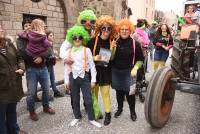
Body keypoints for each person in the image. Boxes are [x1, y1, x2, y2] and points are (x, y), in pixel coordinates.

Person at [16, 19, 55, 121]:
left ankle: (46, 107)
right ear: (23, 27)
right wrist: (35, 57)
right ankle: (32, 111)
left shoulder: (40, 35)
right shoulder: (21, 39)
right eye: (26, 26)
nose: (28, 27)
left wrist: (41, 57)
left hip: (43, 68)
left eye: (30, 25)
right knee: (31, 93)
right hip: (31, 69)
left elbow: (49, 50)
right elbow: (22, 53)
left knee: (46, 90)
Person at [64, 25, 102, 128]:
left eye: (80, 37)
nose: (77, 39)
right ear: (71, 38)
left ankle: (91, 118)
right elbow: (66, 68)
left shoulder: (87, 50)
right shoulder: (69, 51)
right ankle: (77, 116)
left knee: (88, 99)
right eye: (75, 37)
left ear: (83, 38)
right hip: (73, 77)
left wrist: (93, 79)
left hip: (85, 77)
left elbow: (92, 66)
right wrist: (66, 81)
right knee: (75, 99)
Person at [111, 19, 144, 121]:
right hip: (116, 71)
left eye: (126, 29)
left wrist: (136, 68)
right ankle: (120, 109)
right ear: (119, 30)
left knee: (130, 94)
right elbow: (108, 58)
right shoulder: (114, 42)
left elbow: (141, 59)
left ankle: (132, 112)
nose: (124, 31)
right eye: (122, 29)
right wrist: (112, 49)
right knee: (119, 92)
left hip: (129, 72)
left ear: (130, 30)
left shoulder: (135, 44)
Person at [87, 15, 117, 125]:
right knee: (94, 94)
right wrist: (95, 58)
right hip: (94, 73)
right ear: (100, 28)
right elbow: (87, 57)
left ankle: (108, 114)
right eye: (104, 28)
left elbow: (111, 58)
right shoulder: (92, 41)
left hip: (106, 72)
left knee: (105, 94)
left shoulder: (112, 42)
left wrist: (112, 48)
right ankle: (96, 111)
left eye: (109, 28)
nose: (106, 31)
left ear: (111, 29)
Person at [0, 25, 27, 134]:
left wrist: (21, 67)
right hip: (2, 88)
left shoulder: (9, 44)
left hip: (14, 85)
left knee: (12, 111)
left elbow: (19, 58)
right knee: (1, 117)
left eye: (2, 28)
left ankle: (14, 130)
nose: (1, 30)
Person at [45, 30, 63, 97]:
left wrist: (53, 54)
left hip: (51, 64)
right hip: (46, 64)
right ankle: (48, 95)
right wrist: (53, 56)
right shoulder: (46, 44)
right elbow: (46, 54)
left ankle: (55, 91)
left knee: (52, 79)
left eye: (52, 35)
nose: (52, 37)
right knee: (48, 80)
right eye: (50, 35)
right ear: (46, 36)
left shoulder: (51, 43)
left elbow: (50, 53)